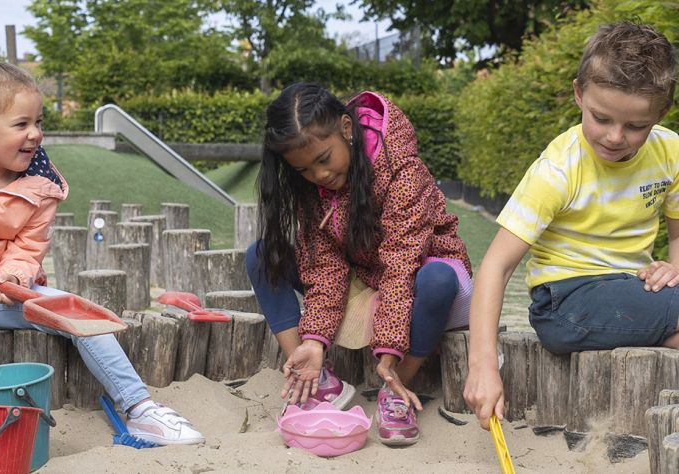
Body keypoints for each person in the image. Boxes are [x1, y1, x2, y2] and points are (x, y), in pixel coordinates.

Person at [0, 59, 203, 456]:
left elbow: (28, 249)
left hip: (10, 296)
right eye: (21, 124)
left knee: (83, 318)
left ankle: (140, 407)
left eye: (38, 121)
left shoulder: (41, 185)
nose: (35, 134)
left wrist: (12, 278)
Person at [464, 21, 679, 430]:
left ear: (661, 113)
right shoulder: (559, 170)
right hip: (566, 302)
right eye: (601, 118)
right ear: (579, 93)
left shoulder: (670, 151)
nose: (615, 137)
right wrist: (483, 366)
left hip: (632, 287)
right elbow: (496, 266)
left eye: (636, 126)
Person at [246, 83, 473, 445]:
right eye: (303, 170)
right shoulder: (314, 186)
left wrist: (387, 351)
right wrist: (315, 341)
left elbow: (401, 263)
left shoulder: (401, 169)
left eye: (323, 159)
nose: (318, 175)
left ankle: (397, 387)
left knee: (438, 279)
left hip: (419, 274)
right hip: (364, 277)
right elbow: (325, 266)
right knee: (261, 254)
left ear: (347, 129)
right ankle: (314, 379)